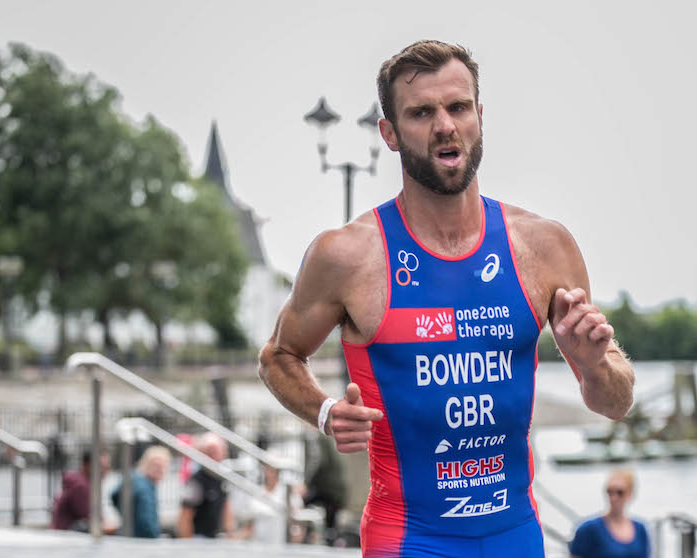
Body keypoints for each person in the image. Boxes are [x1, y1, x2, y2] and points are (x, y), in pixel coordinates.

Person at [258, 40, 635, 558]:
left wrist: (595, 368)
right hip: (409, 539)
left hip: (515, 537)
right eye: (421, 112)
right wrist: (324, 412)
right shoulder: (347, 255)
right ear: (389, 133)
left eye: (458, 107)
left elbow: (615, 403)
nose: (444, 125)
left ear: (479, 116)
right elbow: (277, 355)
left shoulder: (544, 247)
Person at [570, 470, 650, 558]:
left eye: (619, 492)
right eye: (610, 491)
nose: (613, 497)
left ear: (630, 493)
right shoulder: (587, 529)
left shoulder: (640, 529)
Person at [177, 432, 235, 538]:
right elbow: (186, 515)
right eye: (210, 451)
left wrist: (230, 534)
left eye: (216, 451)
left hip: (216, 537)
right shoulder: (196, 480)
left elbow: (226, 507)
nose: (214, 455)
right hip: (199, 538)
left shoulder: (221, 478)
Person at [112, 445, 171, 538]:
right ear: (146, 464)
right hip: (139, 540)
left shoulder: (134, 478)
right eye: (156, 465)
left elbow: (114, 495)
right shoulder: (144, 488)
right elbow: (147, 522)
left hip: (127, 534)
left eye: (162, 467)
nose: (159, 470)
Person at [51, 447, 115, 533]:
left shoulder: (82, 482)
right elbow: (91, 519)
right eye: (102, 467)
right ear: (87, 465)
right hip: (67, 535)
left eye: (107, 468)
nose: (105, 471)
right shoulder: (81, 486)